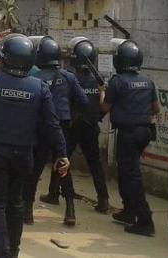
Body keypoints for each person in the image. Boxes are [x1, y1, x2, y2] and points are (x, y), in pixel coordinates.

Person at [0, 34, 69, 258]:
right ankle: (14, 251)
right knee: (16, 203)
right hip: (23, 155)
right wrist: (62, 153)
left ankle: (3, 253)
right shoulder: (39, 87)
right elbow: (52, 123)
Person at [24, 36, 88, 227]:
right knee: (63, 169)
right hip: (62, 128)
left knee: (34, 171)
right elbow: (84, 101)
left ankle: (28, 212)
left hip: (41, 129)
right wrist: (70, 115)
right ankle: (70, 211)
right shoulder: (68, 76)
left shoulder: (34, 78)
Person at [102, 40, 161, 236]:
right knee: (126, 172)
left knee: (132, 176)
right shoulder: (148, 81)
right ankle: (128, 211)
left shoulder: (117, 82)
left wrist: (102, 92)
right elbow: (156, 109)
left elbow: (105, 108)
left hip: (128, 133)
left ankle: (145, 220)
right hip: (144, 132)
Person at [58, 38, 110, 214]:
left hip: (73, 126)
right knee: (95, 164)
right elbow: (103, 106)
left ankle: (56, 194)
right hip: (91, 125)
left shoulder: (70, 78)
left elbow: (68, 102)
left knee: (62, 159)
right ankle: (103, 199)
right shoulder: (98, 79)